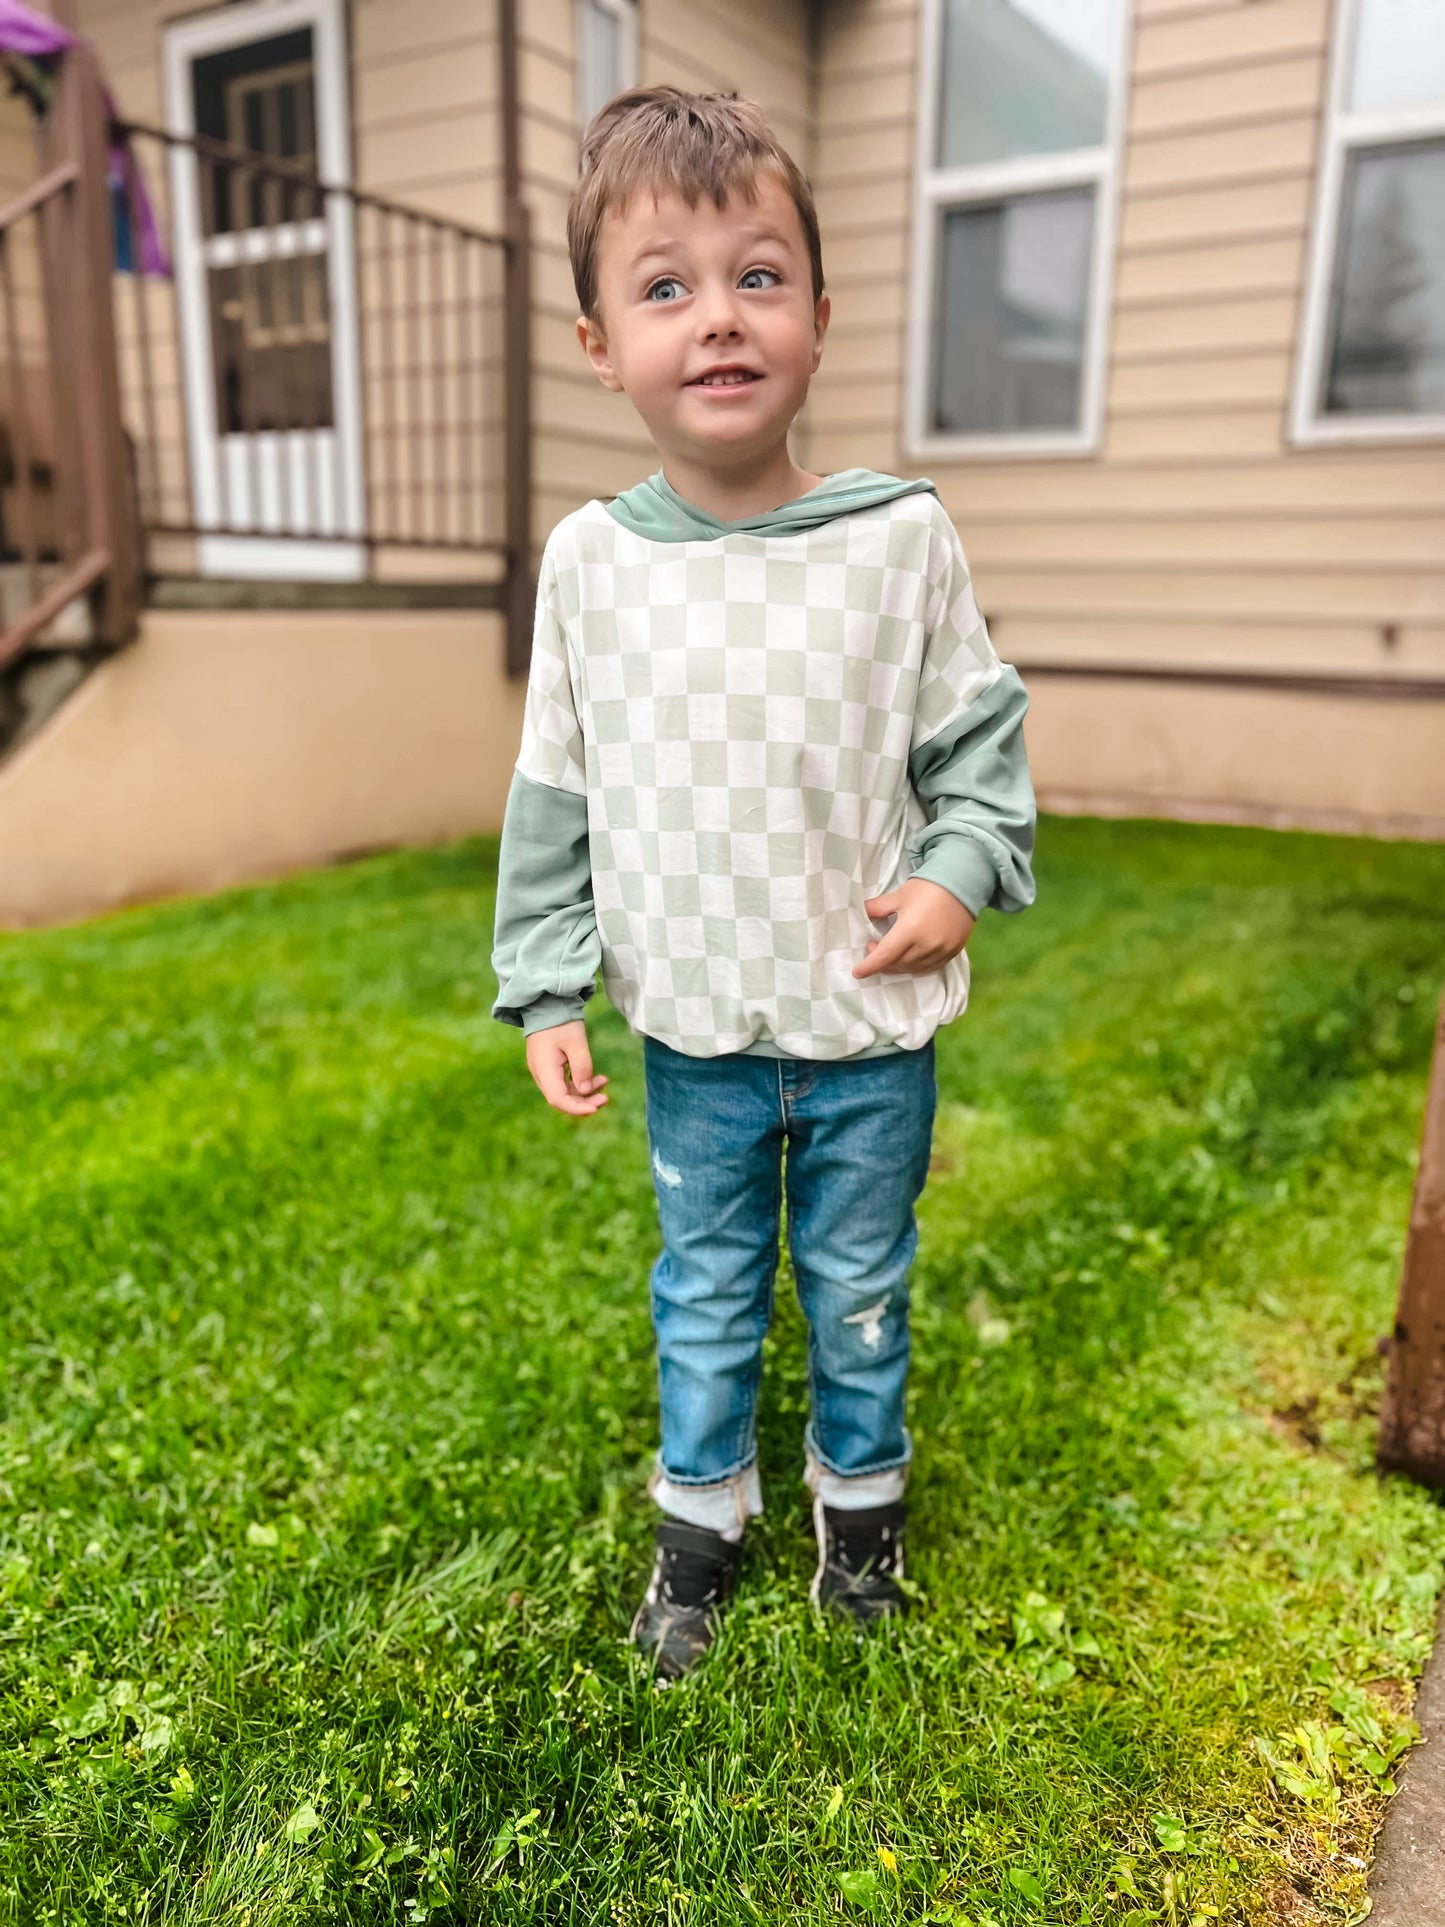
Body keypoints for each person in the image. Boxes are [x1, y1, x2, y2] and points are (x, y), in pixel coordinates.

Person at [491, 86, 1036, 1679]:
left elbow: (977, 748)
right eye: (664, 286)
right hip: (696, 1039)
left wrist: (955, 873)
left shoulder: (897, 541)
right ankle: (699, 1529)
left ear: (816, 314)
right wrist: (544, 984)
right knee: (707, 1291)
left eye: (757, 276)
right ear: (600, 343)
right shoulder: (591, 566)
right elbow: (553, 789)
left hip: (866, 1032)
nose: (717, 317)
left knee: (860, 1283)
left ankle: (859, 1526)